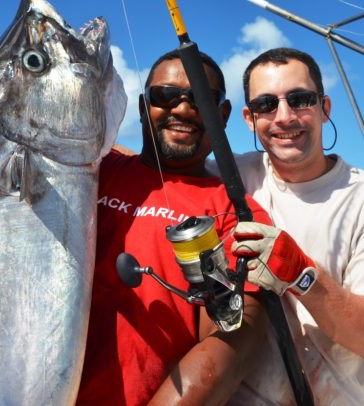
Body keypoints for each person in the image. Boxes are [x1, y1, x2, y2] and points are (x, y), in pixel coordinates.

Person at [76, 49, 278, 405]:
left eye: (201, 99)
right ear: (143, 108)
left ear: (223, 115)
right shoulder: (86, 173)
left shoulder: (235, 214)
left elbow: (238, 331)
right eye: (165, 96)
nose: (182, 109)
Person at [226, 47, 364, 404]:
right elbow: (141, 165)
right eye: (266, 105)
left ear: (325, 107)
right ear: (248, 118)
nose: (284, 116)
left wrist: (302, 274)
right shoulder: (229, 175)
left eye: (300, 99)